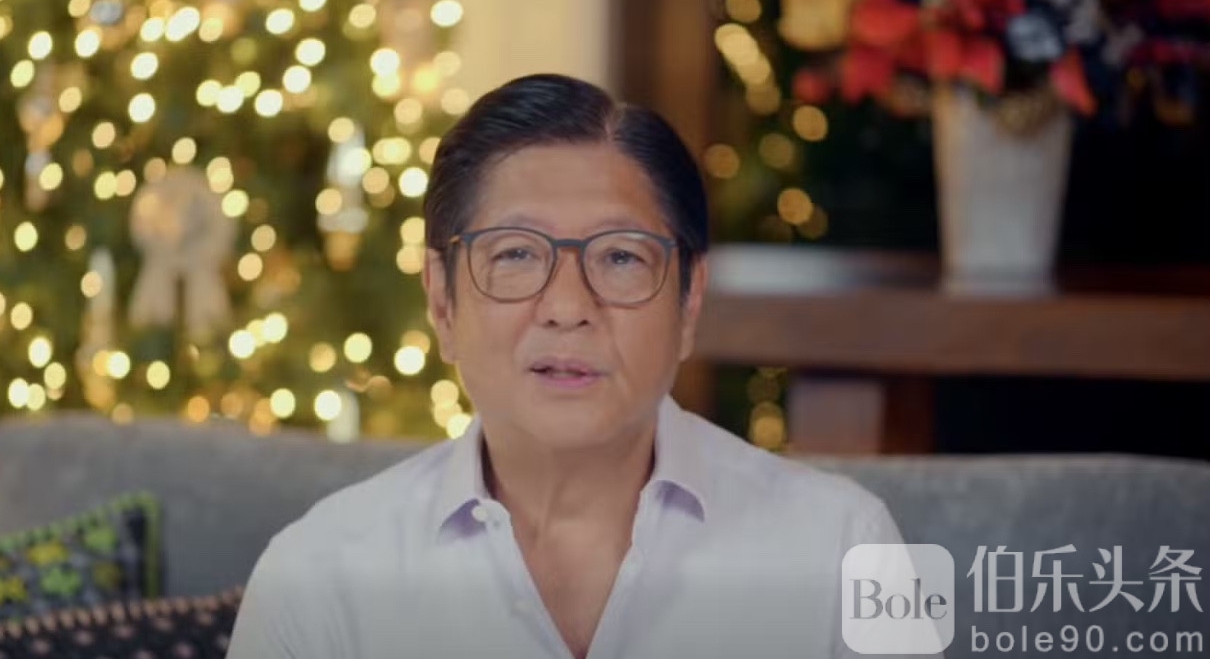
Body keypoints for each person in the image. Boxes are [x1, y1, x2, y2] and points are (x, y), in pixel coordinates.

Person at [227, 74, 922, 659]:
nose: (567, 308)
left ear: (688, 302)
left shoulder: (841, 550)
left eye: (620, 257)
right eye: (515, 254)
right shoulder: (318, 578)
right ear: (442, 300)